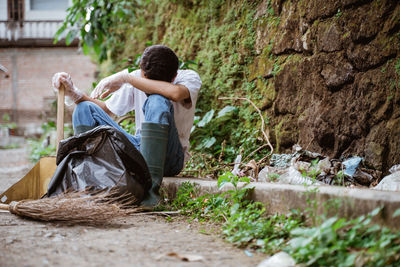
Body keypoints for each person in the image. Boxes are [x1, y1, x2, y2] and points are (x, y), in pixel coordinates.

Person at [52, 45, 202, 207]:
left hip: (170, 157)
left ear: (174, 77)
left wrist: (126, 78)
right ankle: (87, 182)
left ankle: (150, 193)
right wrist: (73, 92)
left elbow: (176, 94)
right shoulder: (137, 78)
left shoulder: (189, 78)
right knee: (84, 109)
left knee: (157, 100)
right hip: (139, 149)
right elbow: (105, 109)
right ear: (142, 72)